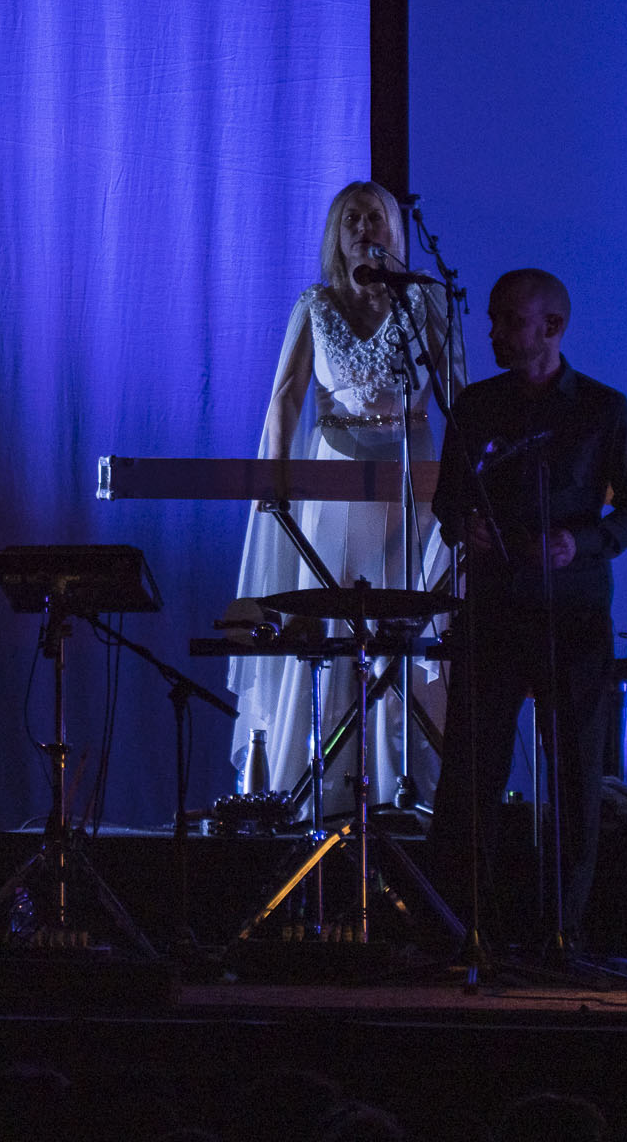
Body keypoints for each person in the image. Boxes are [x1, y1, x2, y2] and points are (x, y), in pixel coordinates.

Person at [428, 268, 627, 949]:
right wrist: (460, 524)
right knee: (472, 775)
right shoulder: (474, 407)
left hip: (573, 615)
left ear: (551, 328)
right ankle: (462, 931)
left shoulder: (604, 410)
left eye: (508, 321)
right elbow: (446, 501)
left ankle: (564, 935)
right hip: (494, 608)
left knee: (576, 779)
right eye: (494, 319)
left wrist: (579, 541)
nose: (493, 332)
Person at [228, 181, 461, 816]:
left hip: (414, 481)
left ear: (394, 229)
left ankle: (411, 785)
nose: (365, 228)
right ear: (336, 232)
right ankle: (324, 787)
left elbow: (458, 392)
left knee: (405, 625)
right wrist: (272, 487)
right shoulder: (315, 303)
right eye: (351, 218)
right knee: (332, 623)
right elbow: (285, 398)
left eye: (376, 217)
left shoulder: (425, 301)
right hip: (335, 480)